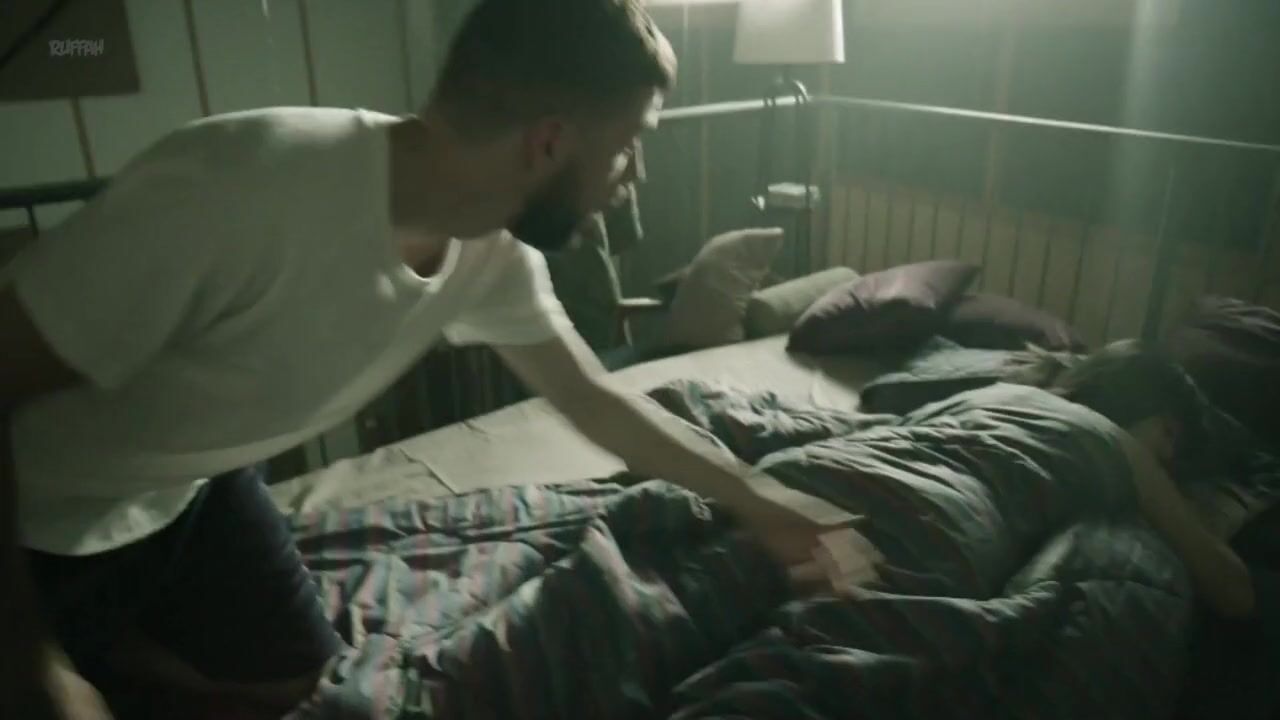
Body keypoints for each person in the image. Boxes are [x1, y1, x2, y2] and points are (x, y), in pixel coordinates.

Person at [0, 1, 866, 718]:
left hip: (190, 492)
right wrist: (31, 655)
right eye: (631, 142)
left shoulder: (490, 253)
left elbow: (595, 401)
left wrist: (760, 501)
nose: (633, 175)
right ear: (550, 141)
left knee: (308, 691)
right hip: (34, 518)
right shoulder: (237, 186)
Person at [1003, 339, 1256, 618]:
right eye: (1169, 434)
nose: (1169, 456)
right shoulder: (1110, 443)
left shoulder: (1011, 400)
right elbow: (1234, 592)